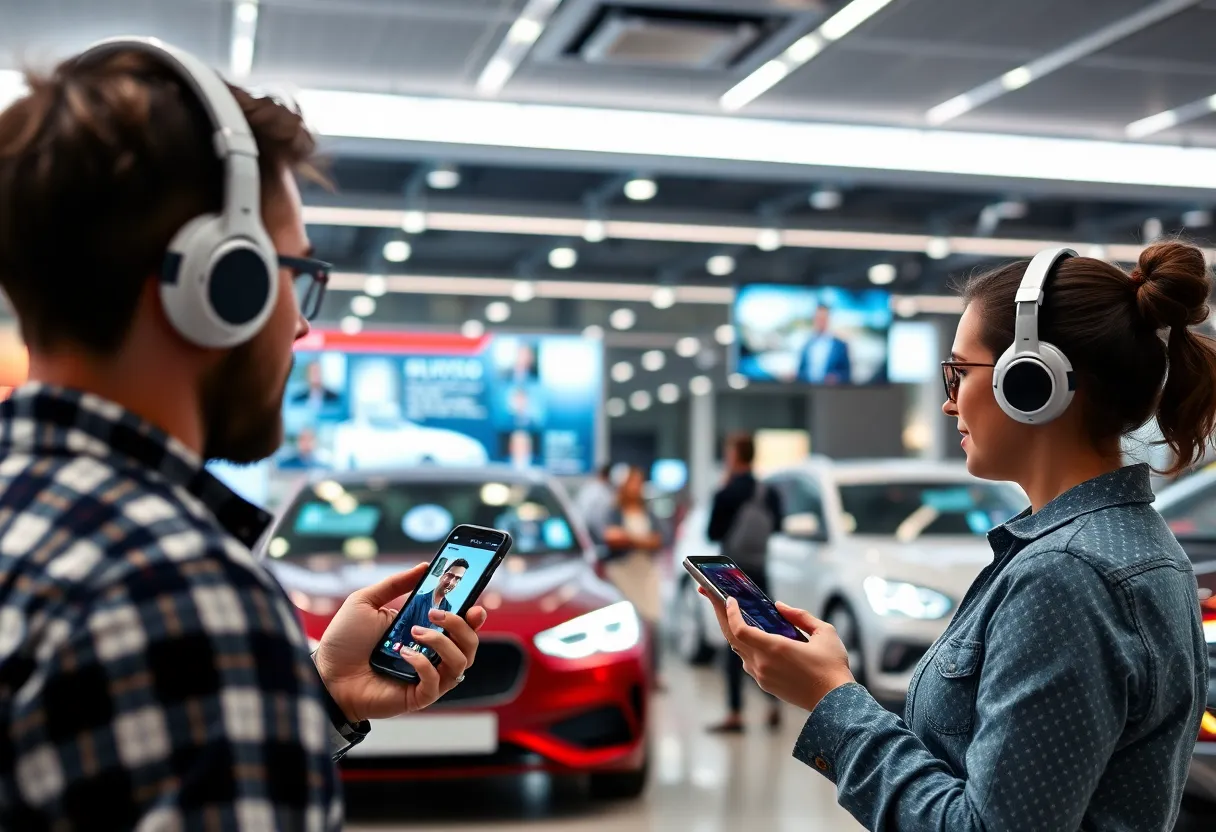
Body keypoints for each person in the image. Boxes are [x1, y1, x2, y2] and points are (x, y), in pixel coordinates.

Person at [0, 40, 486, 829]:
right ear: (219, 282)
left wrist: (315, 696)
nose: (299, 325)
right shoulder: (177, 593)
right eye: (294, 273)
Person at [701, 242, 1214, 830]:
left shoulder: (1068, 576)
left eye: (958, 372)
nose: (948, 403)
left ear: (1031, 383)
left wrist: (829, 698)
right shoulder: (1124, 546)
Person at [706, 432, 784, 733]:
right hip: (759, 568)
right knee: (767, 634)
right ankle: (774, 702)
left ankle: (735, 712)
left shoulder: (727, 492)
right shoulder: (768, 491)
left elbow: (713, 532)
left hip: (731, 573)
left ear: (734, 455)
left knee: (735, 639)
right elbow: (777, 524)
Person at [602, 466, 666, 684]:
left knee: (652, 621)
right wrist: (641, 540)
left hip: (645, 573)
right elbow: (610, 537)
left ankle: (653, 672)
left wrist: (628, 538)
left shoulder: (648, 512)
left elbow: (658, 540)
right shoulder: (614, 511)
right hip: (623, 573)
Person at [390, 560, 469, 643]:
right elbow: (399, 626)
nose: (451, 582)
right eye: (450, 575)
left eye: (457, 579)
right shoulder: (418, 599)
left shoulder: (448, 608)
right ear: (442, 574)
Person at [797, 304, 852, 384]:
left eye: (823, 318)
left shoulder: (840, 345)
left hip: (831, 393)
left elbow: (847, 374)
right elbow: (801, 371)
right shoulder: (807, 345)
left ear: (828, 319)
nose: (820, 322)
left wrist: (836, 378)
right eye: (818, 318)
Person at [575, 462, 616, 544]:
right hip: (591, 537)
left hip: (579, 533)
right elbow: (596, 522)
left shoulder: (587, 488)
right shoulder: (603, 494)